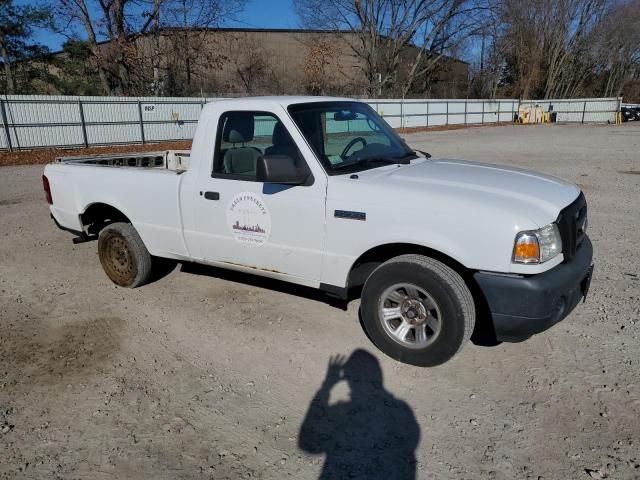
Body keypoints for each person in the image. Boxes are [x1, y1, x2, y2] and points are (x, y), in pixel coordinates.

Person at [299, 350, 420, 479]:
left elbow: (307, 443)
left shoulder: (342, 413)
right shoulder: (401, 409)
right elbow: (412, 442)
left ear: (347, 379)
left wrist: (326, 386)